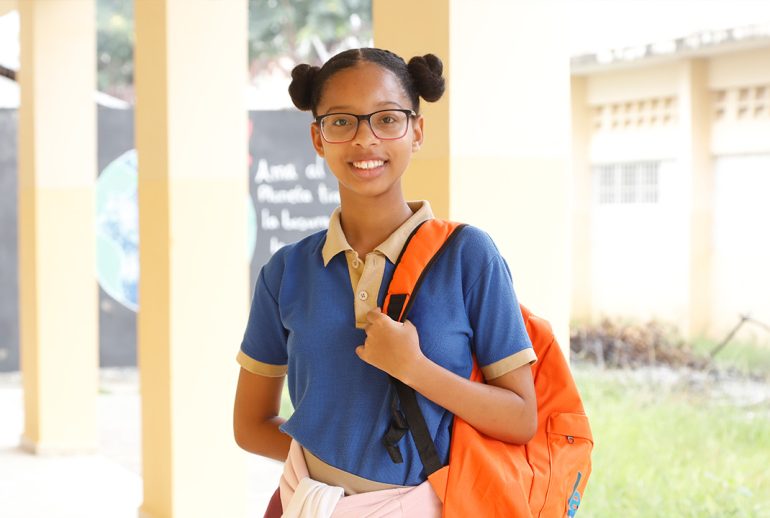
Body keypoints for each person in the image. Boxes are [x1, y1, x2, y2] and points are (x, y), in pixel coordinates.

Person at [233, 47, 537, 517]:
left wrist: (413, 367)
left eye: (388, 119)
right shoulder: (286, 272)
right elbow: (249, 425)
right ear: (318, 137)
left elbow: (521, 418)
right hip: (308, 502)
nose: (365, 139)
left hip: (425, 505)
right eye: (341, 122)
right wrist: (327, 477)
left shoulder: (467, 256)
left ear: (416, 130)